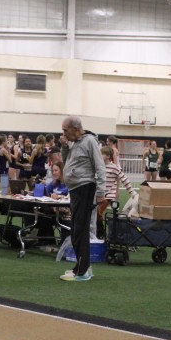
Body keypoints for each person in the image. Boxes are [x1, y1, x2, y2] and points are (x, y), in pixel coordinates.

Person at [60, 116, 104, 282]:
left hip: (85, 188)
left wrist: (101, 191)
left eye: (66, 130)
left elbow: (100, 167)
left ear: (76, 128)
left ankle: (82, 271)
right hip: (75, 189)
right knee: (77, 229)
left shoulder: (89, 141)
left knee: (80, 229)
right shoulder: (75, 143)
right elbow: (66, 161)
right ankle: (83, 266)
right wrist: (65, 147)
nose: (63, 134)